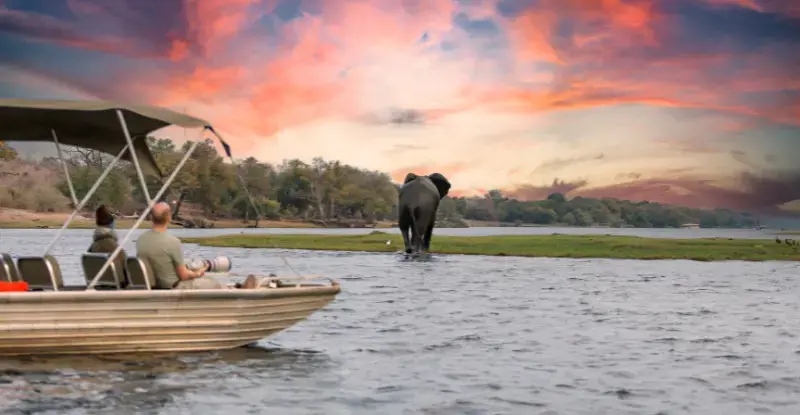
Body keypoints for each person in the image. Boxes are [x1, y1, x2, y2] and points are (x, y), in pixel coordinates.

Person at [136, 201, 257, 290]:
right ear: (169, 217)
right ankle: (240, 290)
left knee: (196, 272)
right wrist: (197, 274)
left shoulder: (141, 240)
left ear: (151, 218)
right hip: (174, 287)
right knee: (212, 282)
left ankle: (237, 287)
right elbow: (183, 276)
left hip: (156, 285)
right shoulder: (172, 242)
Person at [88, 205, 129, 287]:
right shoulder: (114, 248)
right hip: (117, 291)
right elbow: (127, 275)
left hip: (99, 288)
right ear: (112, 222)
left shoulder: (93, 247)